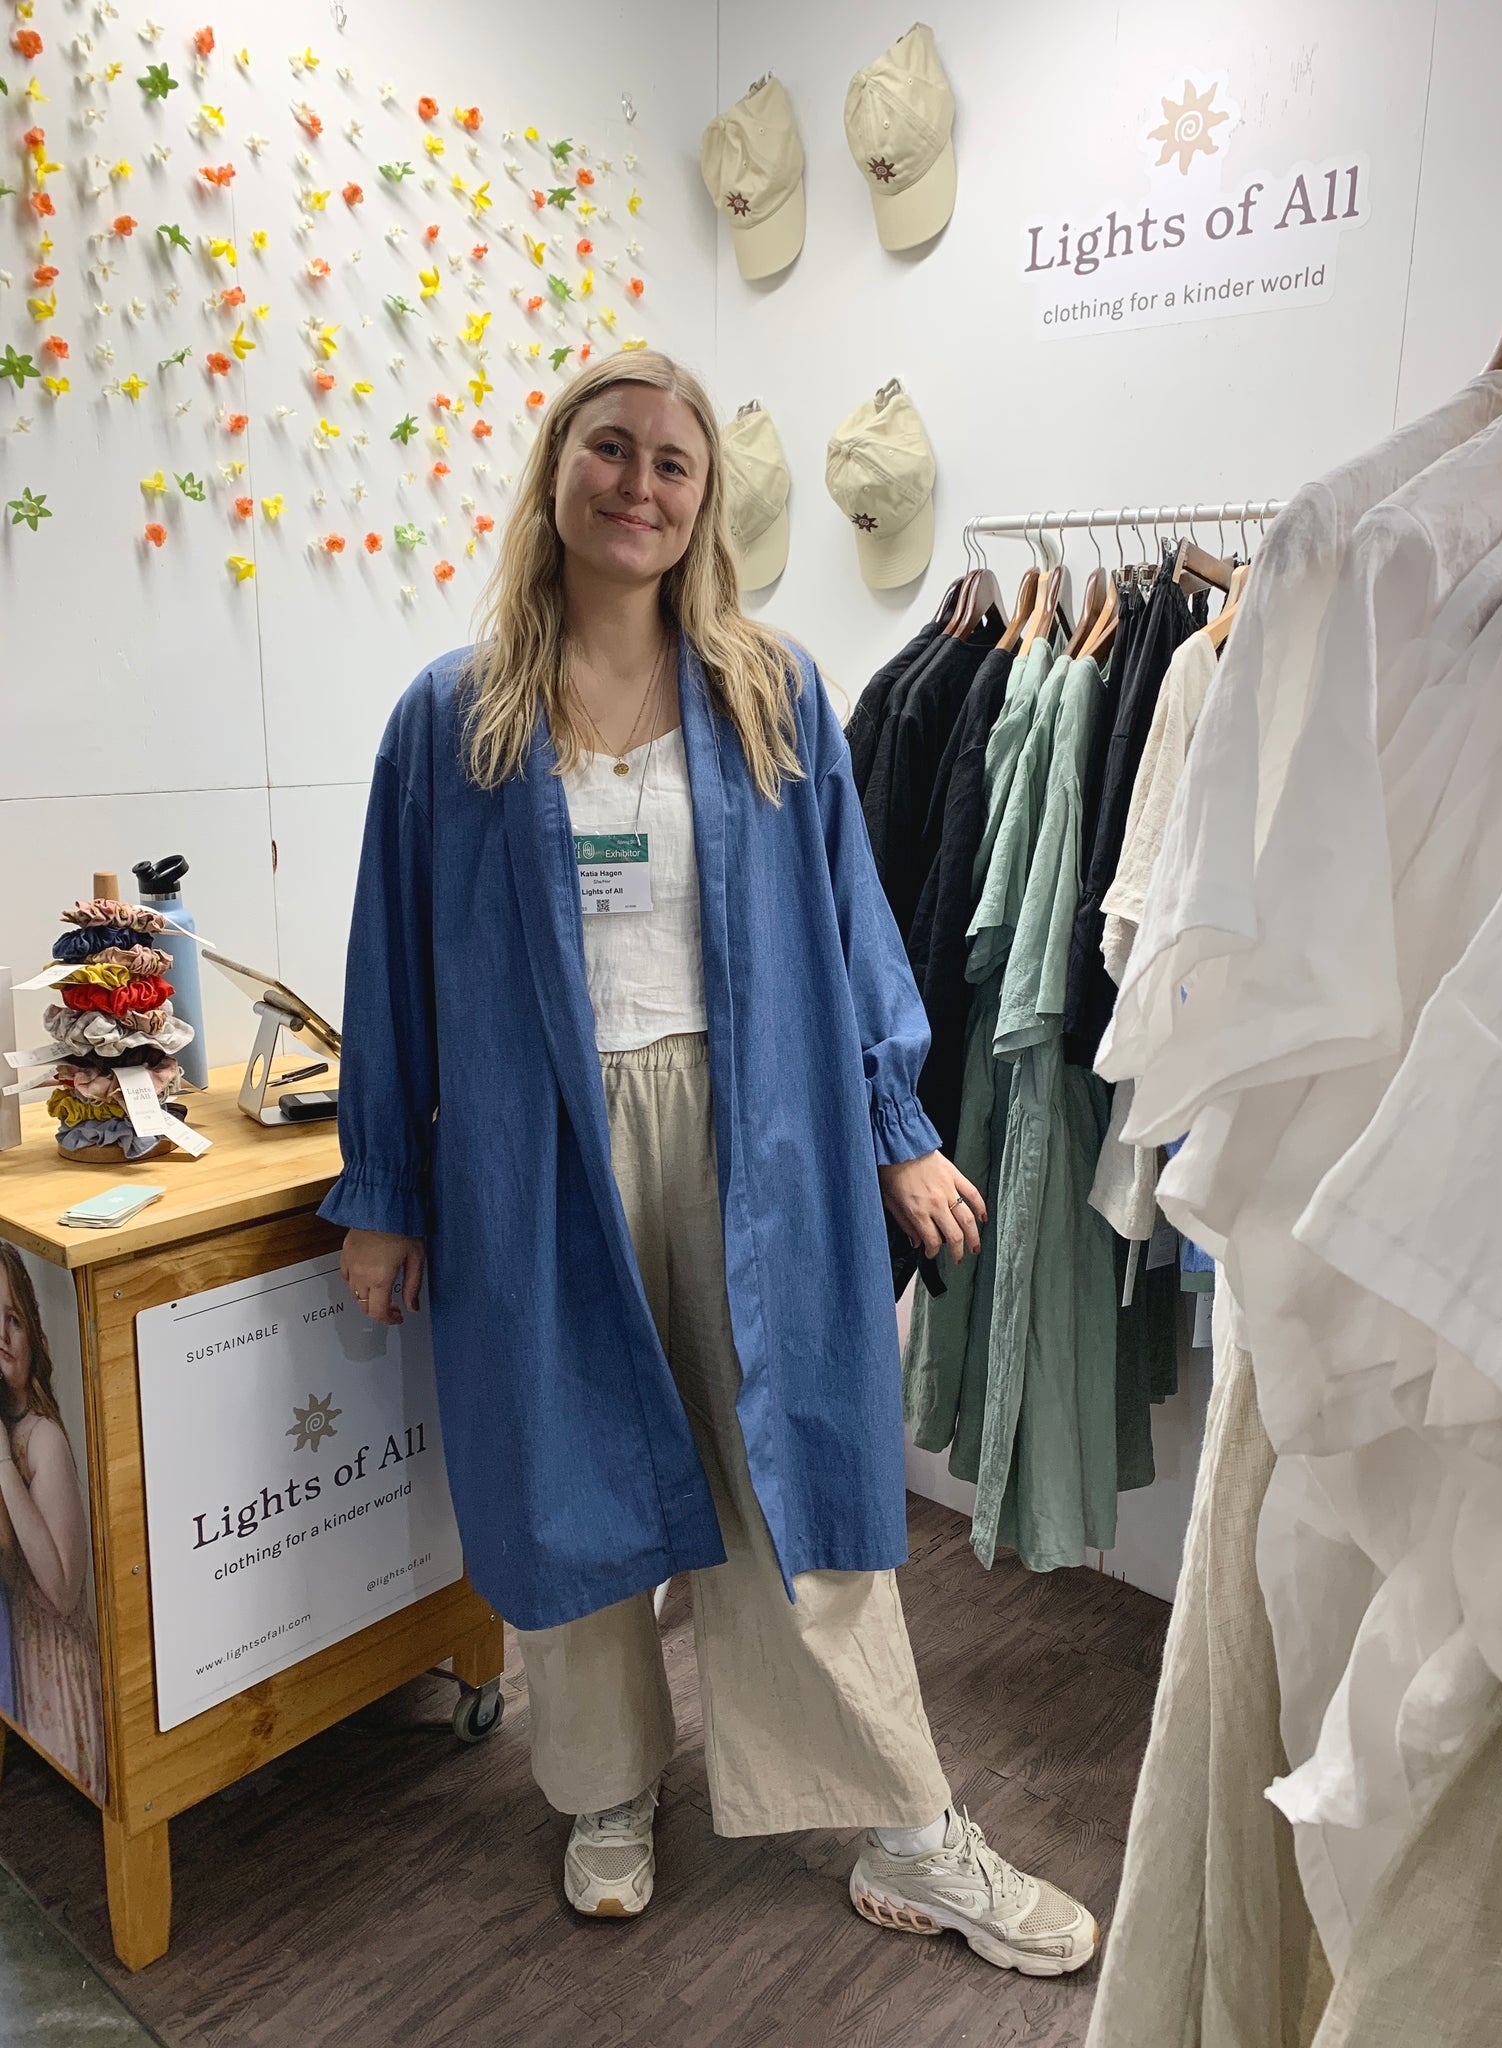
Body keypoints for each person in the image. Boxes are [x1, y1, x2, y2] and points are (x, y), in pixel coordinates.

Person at [322, 352, 1097, 1976]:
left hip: (761, 1132)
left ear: (703, 502)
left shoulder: (772, 689)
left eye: (674, 463)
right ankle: (607, 1789)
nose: (642, 484)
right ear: (556, 471)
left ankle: (906, 1818)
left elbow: (849, 924)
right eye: (612, 449)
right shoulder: (452, 721)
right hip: (539, 1156)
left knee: (797, 1480)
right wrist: (381, 1191)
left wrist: (899, 1130)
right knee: (573, 1476)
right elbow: (388, 970)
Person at [0, 1244, 107, 1801]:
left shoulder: (42, 1438)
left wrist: (2, 1464)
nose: (0, 1337)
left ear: (32, 1334)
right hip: (19, 1659)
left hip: (58, 1671)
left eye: (12, 1319)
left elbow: (65, 1592)